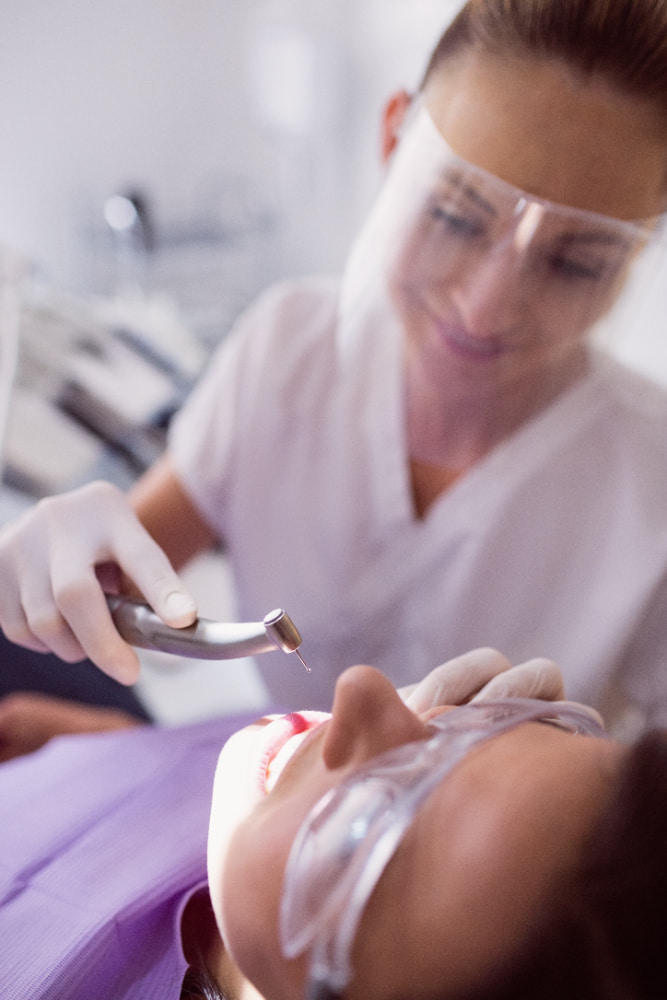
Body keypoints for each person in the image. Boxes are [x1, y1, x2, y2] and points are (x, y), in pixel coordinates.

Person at [2, 0, 667, 738]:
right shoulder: (287, 347)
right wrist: (59, 562)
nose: (484, 310)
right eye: (453, 214)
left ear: (637, 252)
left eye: (576, 263)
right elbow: (122, 581)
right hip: (247, 791)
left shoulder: (649, 482)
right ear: (392, 137)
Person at [0, 649, 665, 1000]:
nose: (361, 690)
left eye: (361, 825)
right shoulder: (262, 804)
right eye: (481, 726)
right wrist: (128, 757)